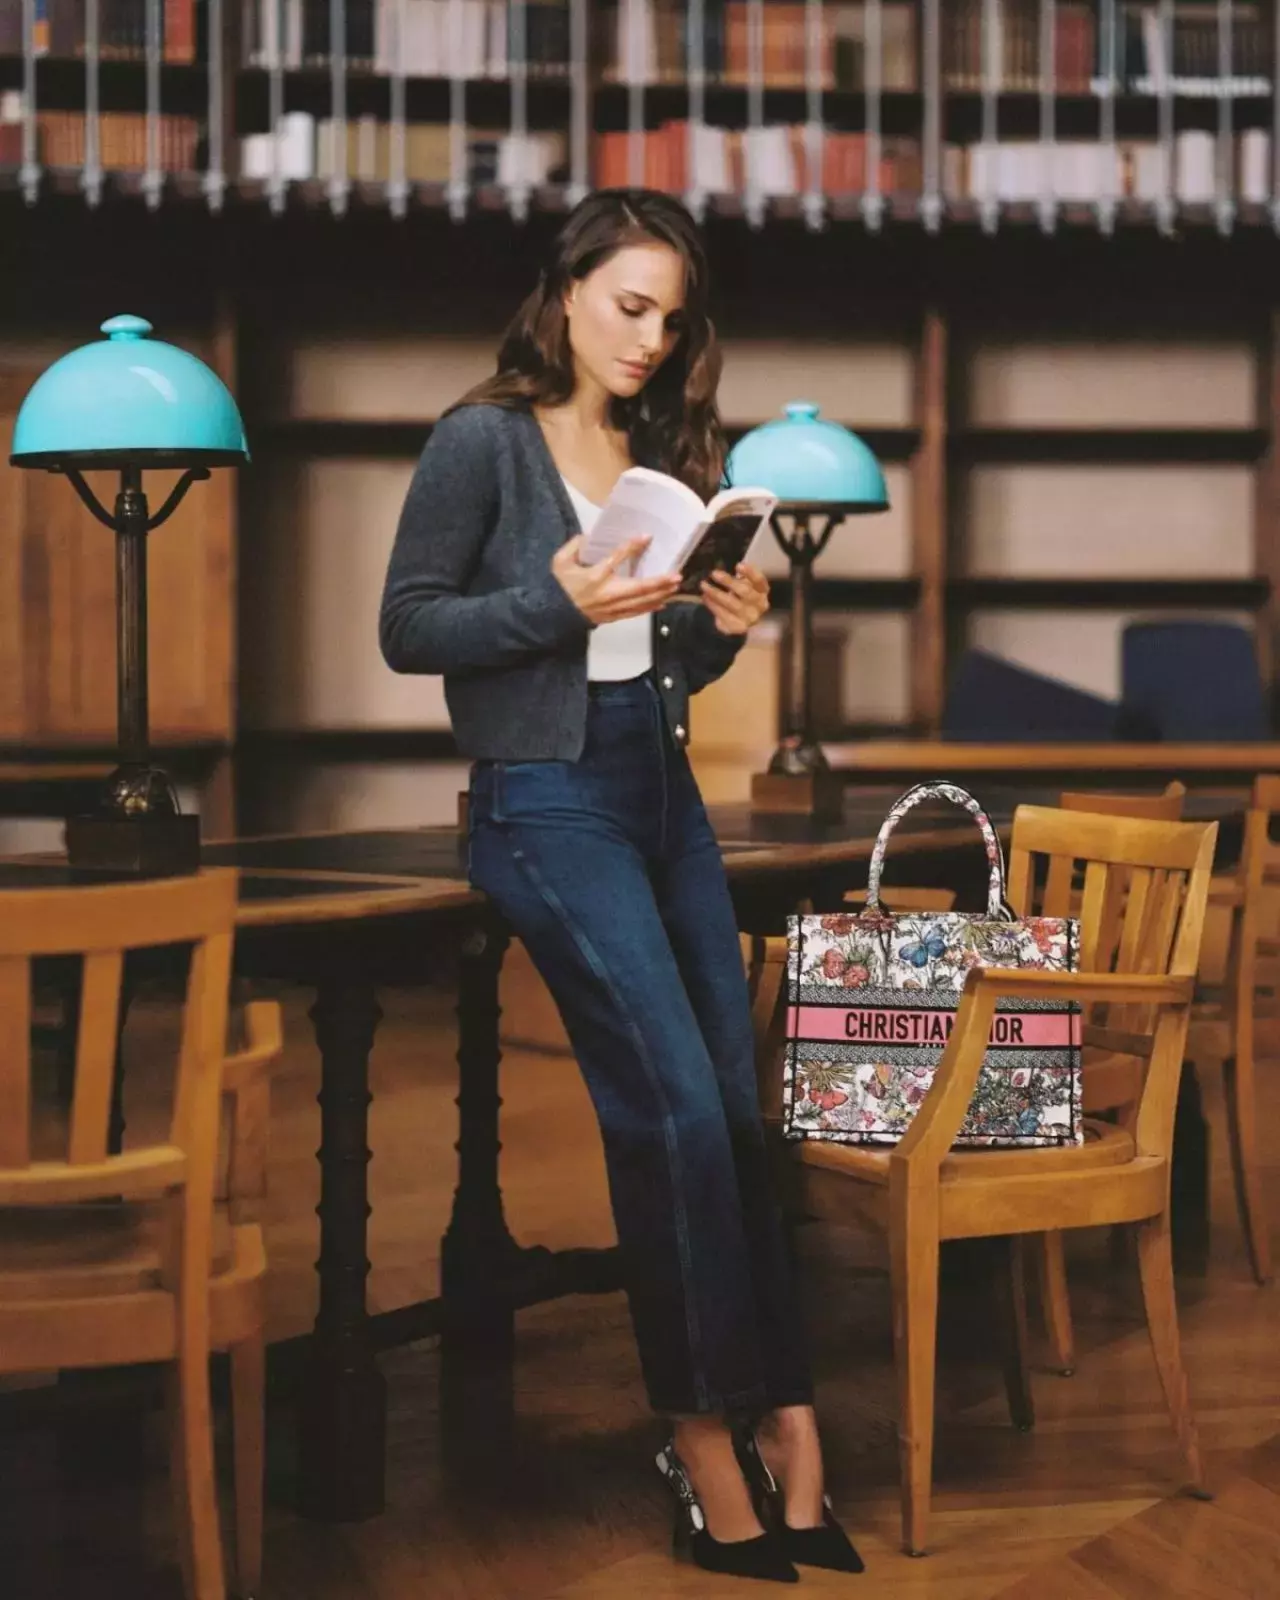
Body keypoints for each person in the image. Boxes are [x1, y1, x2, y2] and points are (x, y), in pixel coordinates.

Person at [380, 188, 863, 1584]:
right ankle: (704, 1441)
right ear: (567, 291)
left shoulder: (656, 446)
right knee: (674, 1114)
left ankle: (790, 1422)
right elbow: (409, 625)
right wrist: (556, 601)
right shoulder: (483, 437)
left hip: (660, 793)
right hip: (544, 804)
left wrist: (719, 630)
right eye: (627, 305)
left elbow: (648, 669)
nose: (651, 338)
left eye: (671, 315)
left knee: (734, 1108)